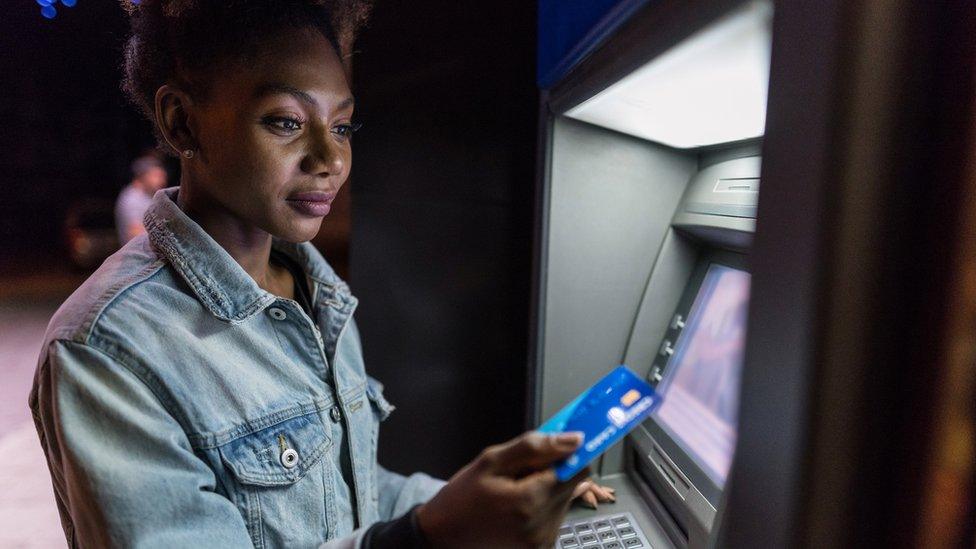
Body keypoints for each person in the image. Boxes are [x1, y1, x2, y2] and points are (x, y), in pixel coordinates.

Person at [29, 1, 615, 548]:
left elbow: (349, 495)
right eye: (286, 121)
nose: (330, 159)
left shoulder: (317, 294)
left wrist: (489, 500)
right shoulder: (107, 350)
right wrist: (428, 535)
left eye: (341, 126)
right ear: (182, 123)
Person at [114, 154, 168, 244]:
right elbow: (135, 235)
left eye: (163, 176)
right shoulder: (132, 199)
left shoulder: (148, 195)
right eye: (156, 176)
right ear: (143, 176)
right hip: (138, 255)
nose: (162, 181)